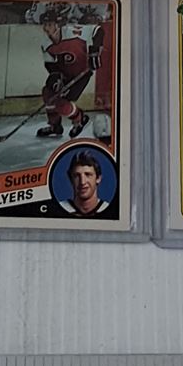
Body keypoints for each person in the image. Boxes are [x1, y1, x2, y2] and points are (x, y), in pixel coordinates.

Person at [37, 11, 102, 140]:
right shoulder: (45, 43)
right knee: (48, 93)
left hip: (81, 74)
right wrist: (56, 77)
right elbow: (50, 64)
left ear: (57, 24)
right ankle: (55, 126)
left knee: (62, 104)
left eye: (49, 24)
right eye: (44, 25)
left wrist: (94, 53)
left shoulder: (72, 31)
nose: (46, 28)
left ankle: (80, 118)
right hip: (65, 75)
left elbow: (98, 31)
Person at [62, 148, 117, 219]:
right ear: (71, 179)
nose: (82, 182)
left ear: (98, 178)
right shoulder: (58, 209)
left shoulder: (112, 211)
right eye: (76, 176)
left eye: (88, 174)